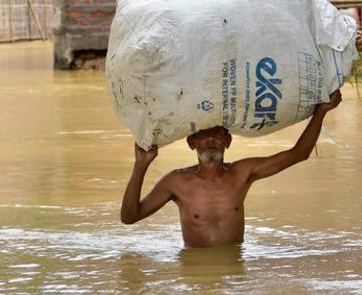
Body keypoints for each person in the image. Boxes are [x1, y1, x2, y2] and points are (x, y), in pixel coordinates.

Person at [120, 89, 342, 247]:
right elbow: (129, 217)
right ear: (191, 143)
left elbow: (298, 154)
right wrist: (141, 165)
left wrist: (320, 112)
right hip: (196, 271)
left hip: (235, 268)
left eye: (217, 133)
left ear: (228, 141)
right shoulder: (176, 182)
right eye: (203, 134)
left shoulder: (242, 173)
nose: (211, 139)